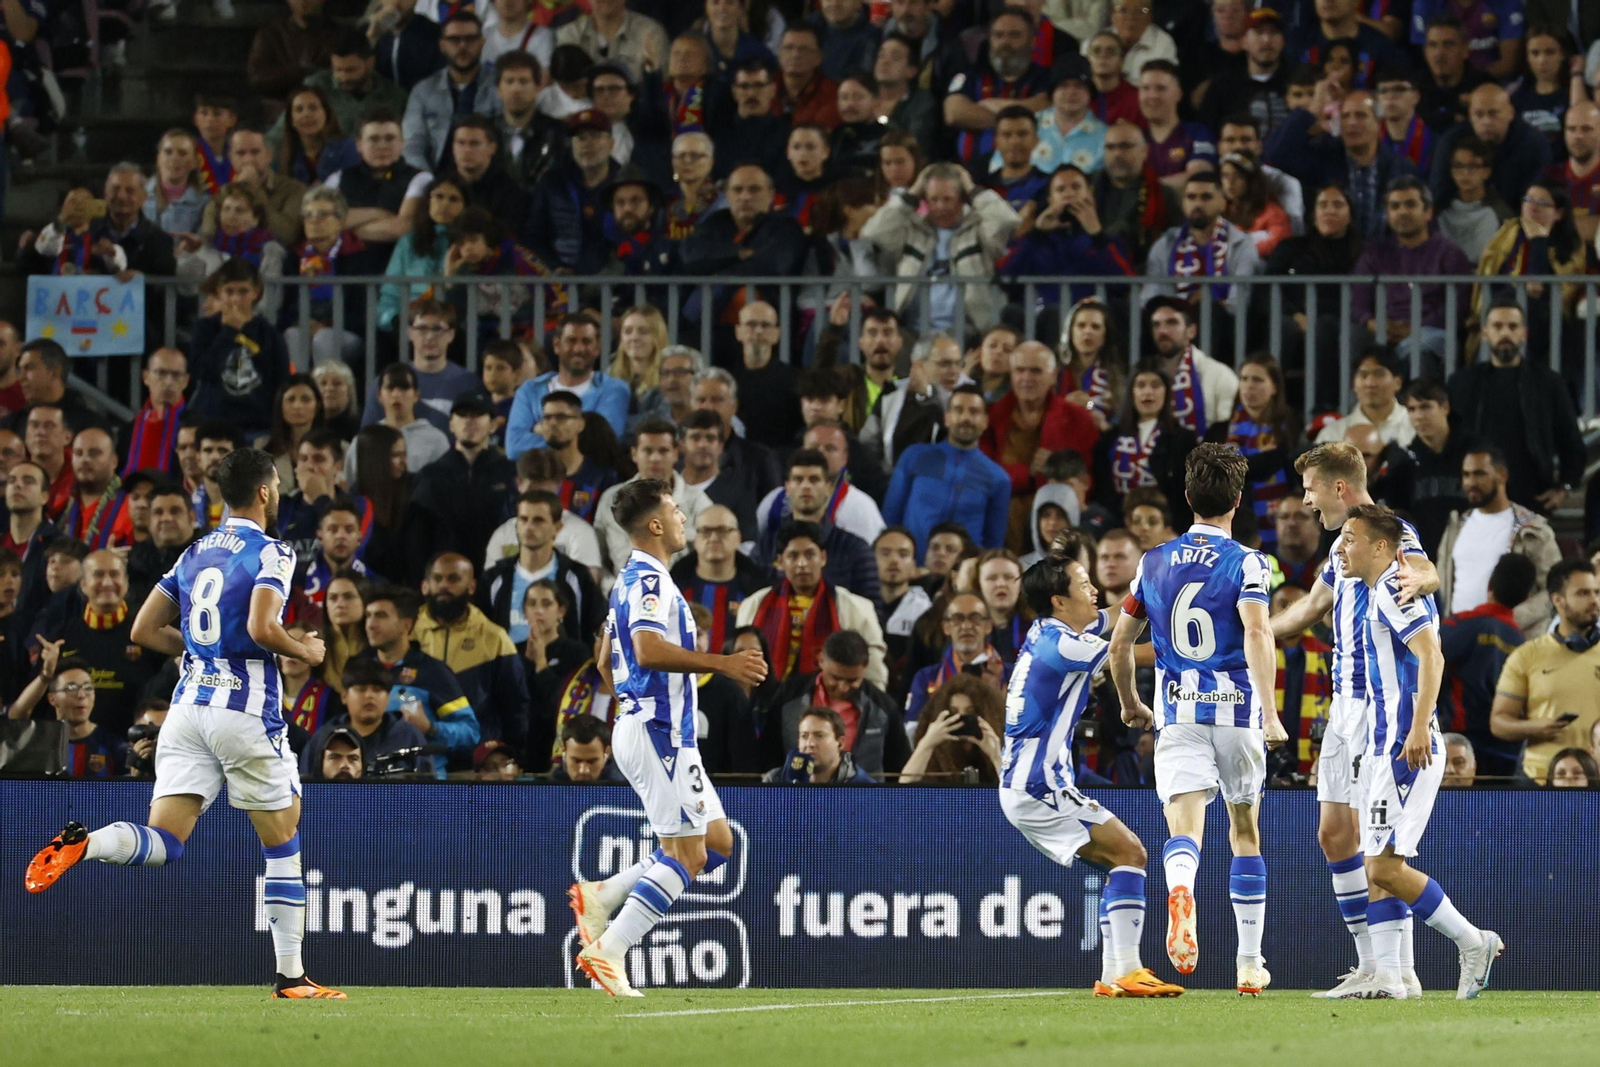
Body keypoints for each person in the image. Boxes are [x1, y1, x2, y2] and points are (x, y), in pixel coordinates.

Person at [25, 448, 343, 998]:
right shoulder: (272, 552)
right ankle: (292, 977)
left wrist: (202, 650)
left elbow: (144, 630)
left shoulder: (194, 553)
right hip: (243, 712)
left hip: (187, 712)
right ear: (265, 493)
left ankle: (87, 844)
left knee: (166, 841)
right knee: (283, 838)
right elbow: (265, 627)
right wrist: (308, 651)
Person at [566, 477, 768, 997]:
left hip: (657, 731)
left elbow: (602, 657)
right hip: (659, 735)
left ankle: (602, 895)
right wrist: (722, 663)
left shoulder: (631, 578)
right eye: (677, 510)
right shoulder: (652, 582)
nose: (684, 518)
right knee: (688, 856)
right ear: (655, 524)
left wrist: (629, 703)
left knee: (717, 843)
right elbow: (649, 650)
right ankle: (608, 952)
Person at [1109, 443, 1288, 995]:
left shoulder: (1153, 561)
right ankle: (1248, 963)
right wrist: (1273, 714)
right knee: (1244, 830)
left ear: (1187, 497)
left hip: (1178, 711)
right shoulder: (1249, 563)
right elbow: (1258, 633)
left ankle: (1181, 887)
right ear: (1238, 500)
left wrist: (1129, 704)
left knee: (1185, 827)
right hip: (1237, 712)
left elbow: (1119, 646)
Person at [1267, 440, 1439, 998]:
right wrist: (1253, 633)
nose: (1306, 501)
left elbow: (1423, 569)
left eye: (1311, 489)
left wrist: (1427, 581)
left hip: (1378, 708)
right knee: (1334, 833)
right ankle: (1372, 963)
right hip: (1342, 710)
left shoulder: (1387, 534)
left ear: (1339, 487)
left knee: (1376, 842)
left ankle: (1394, 969)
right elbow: (1308, 609)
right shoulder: (1341, 551)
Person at [1336, 502, 1503, 1000]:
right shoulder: (1379, 587)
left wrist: (1417, 728)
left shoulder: (1391, 586)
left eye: (1351, 537)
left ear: (1381, 546)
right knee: (1380, 864)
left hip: (1403, 746)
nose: (1342, 546)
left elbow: (1432, 653)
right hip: (1384, 743)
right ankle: (1395, 977)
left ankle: (1473, 942)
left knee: (1384, 868)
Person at [1000, 543, 1183, 997]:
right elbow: (1128, 652)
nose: (1095, 590)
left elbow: (1123, 613)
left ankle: (1115, 975)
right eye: (1084, 585)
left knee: (1124, 857)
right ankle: (1126, 970)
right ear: (1060, 600)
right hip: (1038, 785)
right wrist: (1189, 639)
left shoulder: (1054, 631)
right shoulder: (1061, 642)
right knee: (1131, 853)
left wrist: (1157, 579)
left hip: (1032, 783)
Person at [1446, 301, 1585, 515]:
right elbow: (1448, 442)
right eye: (1498, 326)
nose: (1505, 333)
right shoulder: (1461, 384)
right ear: (1485, 333)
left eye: (1512, 327)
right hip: (1472, 502)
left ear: (1524, 334)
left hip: (1532, 500)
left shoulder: (1548, 383)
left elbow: (1572, 444)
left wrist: (1564, 487)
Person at [862, 162, 1021, 335]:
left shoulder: (978, 230)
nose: (940, 207)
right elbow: (873, 232)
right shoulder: (912, 231)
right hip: (912, 330)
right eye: (934, 199)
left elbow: (1007, 221)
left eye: (947, 199)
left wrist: (972, 189)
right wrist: (912, 193)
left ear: (961, 198)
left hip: (968, 331)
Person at [737, 520, 888, 690]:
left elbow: (873, 669)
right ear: (780, 562)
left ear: (823, 558)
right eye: (793, 556)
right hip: (765, 702)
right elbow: (740, 662)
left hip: (834, 703)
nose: (802, 564)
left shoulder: (856, 608)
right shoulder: (754, 605)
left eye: (809, 555)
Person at [1491, 560, 1600, 785]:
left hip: (1596, 779)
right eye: (1583, 593)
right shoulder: (1527, 655)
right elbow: (1499, 723)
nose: (1594, 601)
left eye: (1596, 592)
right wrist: (1535, 727)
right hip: (1539, 780)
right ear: (1557, 600)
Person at [1436, 447, 1562, 638]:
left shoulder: (1533, 529)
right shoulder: (1455, 526)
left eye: (1480, 474)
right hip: (1459, 640)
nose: (1471, 482)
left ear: (1502, 474)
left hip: (1511, 640)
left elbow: (1554, 587)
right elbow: (1442, 583)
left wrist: (1509, 619)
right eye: (1466, 475)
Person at [355, 584, 481, 769]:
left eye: (381, 616)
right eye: (368, 615)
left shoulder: (433, 672)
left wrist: (431, 728)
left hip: (423, 785)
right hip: (371, 785)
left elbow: (470, 732)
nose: (371, 625)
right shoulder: (359, 669)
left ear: (406, 625)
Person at [414, 553, 529, 754]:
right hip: (418, 754)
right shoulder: (407, 633)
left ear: (471, 586)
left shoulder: (495, 638)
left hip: (475, 758)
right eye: (437, 578)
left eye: (453, 579)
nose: (443, 586)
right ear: (425, 584)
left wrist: (509, 753)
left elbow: (515, 706)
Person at [883, 385, 1010, 558]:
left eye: (974, 412)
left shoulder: (998, 478)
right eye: (958, 410)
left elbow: (993, 544)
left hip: (963, 578)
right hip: (912, 570)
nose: (966, 418)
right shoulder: (914, 457)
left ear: (985, 421)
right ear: (947, 418)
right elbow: (890, 519)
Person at [1440, 553, 1535, 781]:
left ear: (1489, 585)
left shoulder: (1457, 626)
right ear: (1526, 596)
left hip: (1459, 746)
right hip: (1506, 753)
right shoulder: (1526, 647)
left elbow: (1421, 663)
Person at [481, 490, 603, 646]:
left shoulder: (576, 576)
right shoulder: (494, 578)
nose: (529, 527)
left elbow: (597, 622)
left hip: (564, 667)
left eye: (538, 520)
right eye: (523, 519)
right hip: (509, 667)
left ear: (557, 528)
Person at [188, 259, 293, 440]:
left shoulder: (270, 334)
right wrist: (228, 333)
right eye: (229, 292)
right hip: (213, 426)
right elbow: (201, 372)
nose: (236, 299)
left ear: (255, 292)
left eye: (243, 292)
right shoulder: (205, 329)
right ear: (219, 292)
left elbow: (280, 382)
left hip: (258, 426)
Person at [410, 395, 517, 572]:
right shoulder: (430, 476)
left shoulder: (510, 474)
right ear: (451, 424)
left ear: (493, 425)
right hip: (444, 579)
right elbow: (417, 539)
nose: (469, 421)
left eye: (477, 415)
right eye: (462, 415)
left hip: (496, 576)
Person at [506, 313, 632, 455]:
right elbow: (514, 447)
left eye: (586, 341)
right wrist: (573, 435)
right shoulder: (530, 390)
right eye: (571, 341)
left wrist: (544, 431)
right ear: (556, 345)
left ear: (597, 348)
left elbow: (605, 444)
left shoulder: (613, 389)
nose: (578, 349)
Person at [1093, 362, 1198, 529]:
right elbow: (1101, 490)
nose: (1148, 392)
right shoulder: (1110, 439)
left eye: (1155, 385)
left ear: (1167, 392)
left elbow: (1184, 494)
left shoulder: (1182, 439)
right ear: (1131, 392)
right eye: (1141, 385)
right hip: (1118, 527)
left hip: (1165, 529)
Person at [300, 658, 435, 778]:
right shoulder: (323, 737)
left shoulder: (409, 736)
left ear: (388, 697)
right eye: (361, 689)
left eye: (377, 690)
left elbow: (427, 789)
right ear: (344, 696)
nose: (369, 695)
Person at [402, 10, 500, 172]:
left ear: (482, 42)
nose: (463, 45)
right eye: (454, 40)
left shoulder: (499, 85)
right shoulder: (423, 91)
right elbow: (412, 147)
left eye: (470, 39)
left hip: (489, 182)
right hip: (436, 182)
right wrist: (427, 184)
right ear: (442, 45)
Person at [1400, 379, 1469, 556]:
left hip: (1468, 551)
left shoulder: (1474, 452)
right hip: (1423, 557)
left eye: (1425, 407)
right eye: (1412, 409)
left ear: (1445, 407)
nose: (1418, 416)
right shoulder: (1405, 461)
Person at [1316, 346, 1413, 448]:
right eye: (1363, 375)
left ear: (1398, 383)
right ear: (1353, 384)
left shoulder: (1416, 427)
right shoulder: (1333, 435)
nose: (1370, 383)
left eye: (1379, 374)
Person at [548, 716, 625, 783]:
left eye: (592, 761)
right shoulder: (554, 783)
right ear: (564, 751)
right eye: (576, 761)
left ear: (607, 752)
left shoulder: (626, 788)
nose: (583, 770)